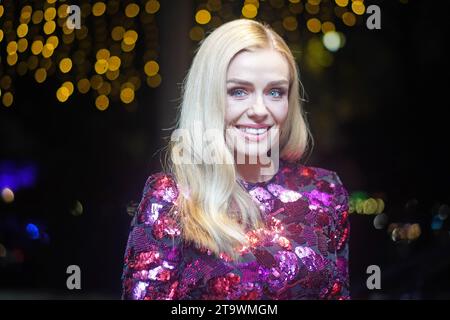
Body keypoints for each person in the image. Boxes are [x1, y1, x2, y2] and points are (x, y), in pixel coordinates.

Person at [121, 19, 350, 300]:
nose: (259, 110)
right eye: (238, 91)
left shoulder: (325, 191)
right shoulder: (171, 197)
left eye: (275, 92)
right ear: (208, 98)